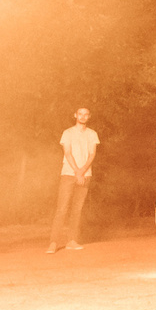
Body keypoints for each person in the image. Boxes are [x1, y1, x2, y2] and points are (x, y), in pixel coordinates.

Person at [48, 106, 98, 252]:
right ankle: (54, 242)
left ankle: (72, 240)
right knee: (62, 208)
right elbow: (68, 153)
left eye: (86, 114)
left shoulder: (92, 134)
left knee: (77, 209)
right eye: (80, 114)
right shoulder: (68, 133)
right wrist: (77, 172)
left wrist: (82, 172)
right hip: (69, 174)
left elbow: (92, 154)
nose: (82, 116)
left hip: (85, 175)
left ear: (89, 117)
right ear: (75, 115)